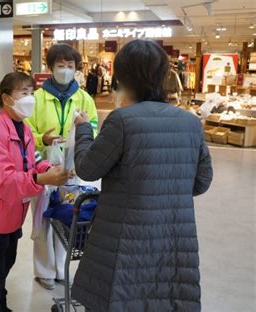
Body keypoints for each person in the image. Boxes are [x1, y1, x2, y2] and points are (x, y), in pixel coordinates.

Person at [71, 39, 213, 311]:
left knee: (121, 297)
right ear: (162, 75)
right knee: (163, 300)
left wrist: (83, 130)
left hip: (124, 237)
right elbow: (202, 181)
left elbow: (87, 169)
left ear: (121, 76)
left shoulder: (122, 120)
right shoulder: (190, 122)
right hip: (174, 237)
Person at [0, 72, 70, 312]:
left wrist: (49, 168)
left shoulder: (23, 129)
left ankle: (1, 305)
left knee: (3, 267)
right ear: (6, 98)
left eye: (31, 93)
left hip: (10, 216)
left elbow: (29, 163)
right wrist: (42, 178)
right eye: (23, 93)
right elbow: (3, 181)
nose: (30, 99)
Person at [24, 43, 99, 290]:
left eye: (70, 66)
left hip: (74, 167)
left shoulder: (84, 98)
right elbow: (26, 132)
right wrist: (42, 140)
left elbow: (94, 128)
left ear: (77, 68)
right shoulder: (36, 98)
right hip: (43, 165)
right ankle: (44, 270)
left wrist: (84, 138)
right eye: (60, 65)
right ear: (50, 67)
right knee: (43, 216)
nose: (65, 70)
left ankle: (61, 269)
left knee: (67, 216)